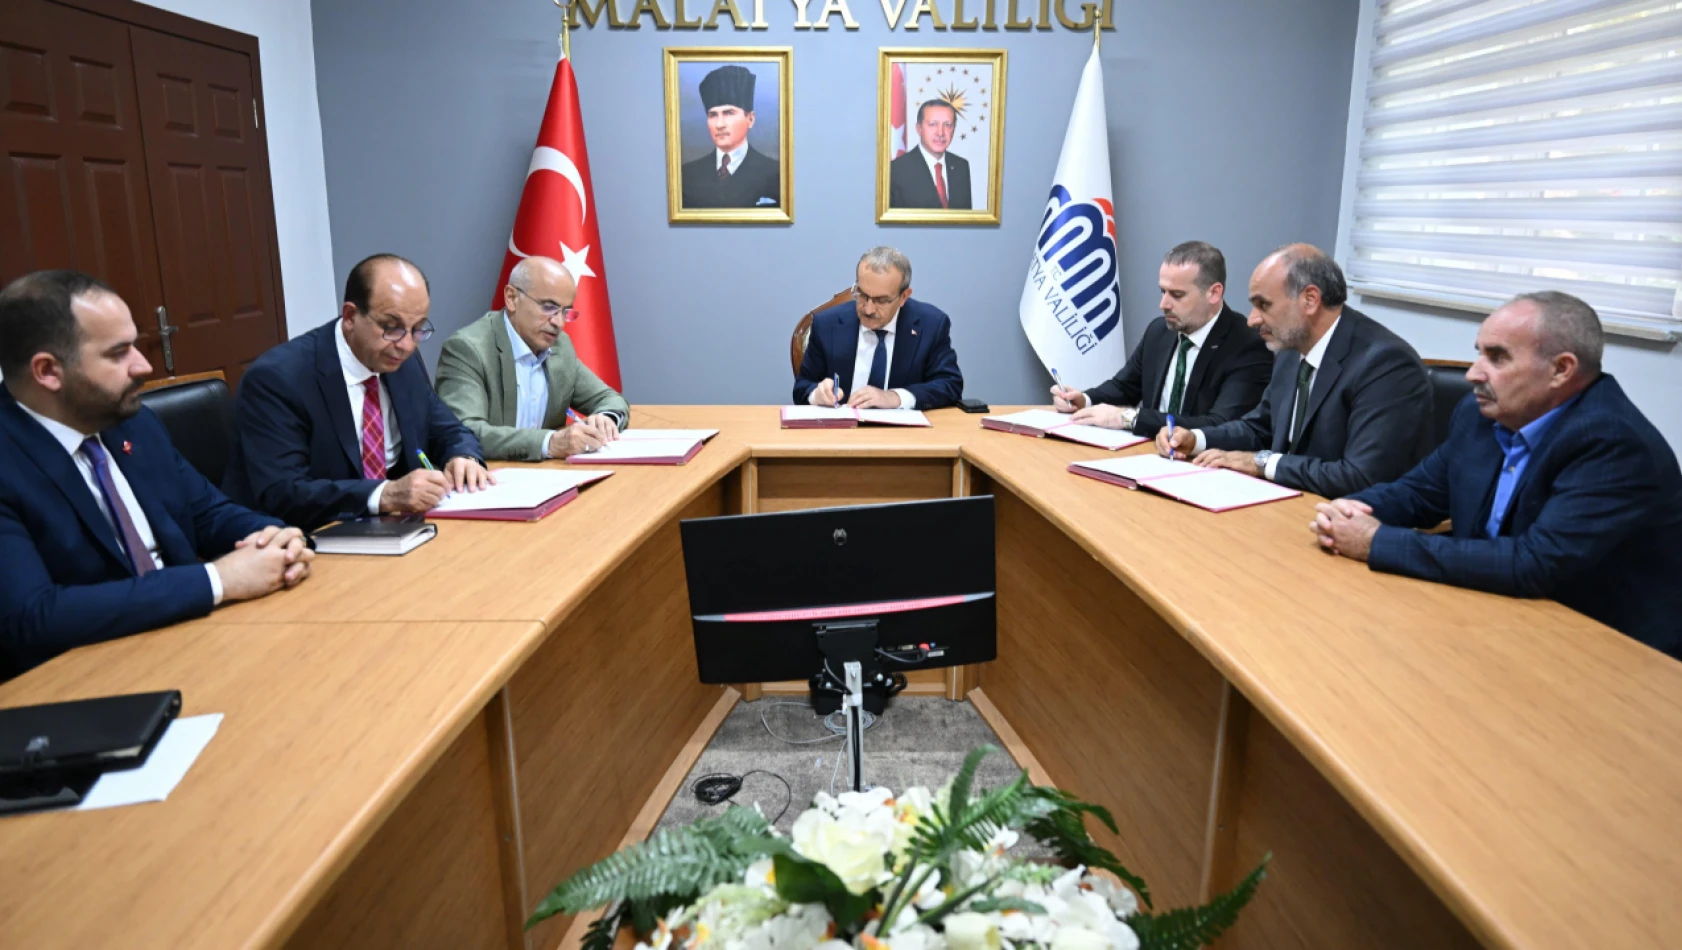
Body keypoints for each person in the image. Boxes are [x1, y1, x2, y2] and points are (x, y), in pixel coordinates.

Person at [1312, 292, 1682, 657]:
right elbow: (1420, 492)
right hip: (1500, 612)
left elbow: (1535, 563)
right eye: (1479, 352)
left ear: (1561, 369)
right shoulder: (1482, 415)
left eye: (1497, 357)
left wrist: (1375, 543)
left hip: (1608, 646)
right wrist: (1350, 510)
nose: (1473, 373)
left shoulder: (1611, 442)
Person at [0, 270, 313, 679]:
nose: (144, 365)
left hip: (196, 641)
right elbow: (33, 615)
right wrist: (216, 580)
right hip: (86, 677)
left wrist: (276, 537)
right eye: (119, 353)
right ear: (47, 371)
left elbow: (206, 513)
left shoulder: (132, 422)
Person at [224, 254, 490, 531]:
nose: (408, 345)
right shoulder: (278, 379)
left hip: (394, 532)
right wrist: (384, 494)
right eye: (392, 327)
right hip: (304, 539)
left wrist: (464, 457)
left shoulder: (401, 363)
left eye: (418, 328)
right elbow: (284, 493)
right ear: (351, 316)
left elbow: (448, 429)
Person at [1155, 244, 1432, 498]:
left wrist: (1262, 463)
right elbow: (1260, 426)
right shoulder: (1290, 349)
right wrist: (1195, 439)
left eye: (1264, 304)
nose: (1252, 319)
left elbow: (1359, 476)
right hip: (1287, 504)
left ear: (1310, 299)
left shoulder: (1386, 365)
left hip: (1348, 522)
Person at [1052, 241, 1270, 435]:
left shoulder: (1246, 344)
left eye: (1176, 295)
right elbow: (1124, 387)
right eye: (1162, 291)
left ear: (1214, 293)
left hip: (1202, 465)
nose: (1163, 304)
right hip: (1151, 453)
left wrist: (1130, 418)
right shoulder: (1160, 330)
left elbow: (1220, 425)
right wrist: (1083, 399)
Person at [436, 256, 629, 460]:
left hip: (546, 478)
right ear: (512, 298)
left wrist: (605, 419)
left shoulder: (560, 346)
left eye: (565, 312)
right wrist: (550, 443)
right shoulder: (468, 349)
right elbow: (464, 432)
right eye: (548, 307)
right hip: (490, 477)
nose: (558, 322)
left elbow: (610, 399)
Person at [793, 246, 964, 410]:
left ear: (904, 297)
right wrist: (816, 394)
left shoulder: (931, 324)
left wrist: (895, 397)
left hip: (905, 435)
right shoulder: (827, 324)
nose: (868, 309)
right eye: (862, 295)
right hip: (841, 432)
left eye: (881, 300)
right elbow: (802, 387)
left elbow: (949, 384)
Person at [679, 65, 781, 210]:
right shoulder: (687, 175)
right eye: (713, 115)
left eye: (728, 113)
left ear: (750, 119)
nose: (719, 124)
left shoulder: (776, 173)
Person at [888, 100, 973, 210]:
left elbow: (966, 221)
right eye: (933, 124)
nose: (940, 133)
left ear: (953, 129)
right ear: (919, 129)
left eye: (947, 125)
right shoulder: (896, 170)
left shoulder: (961, 166)